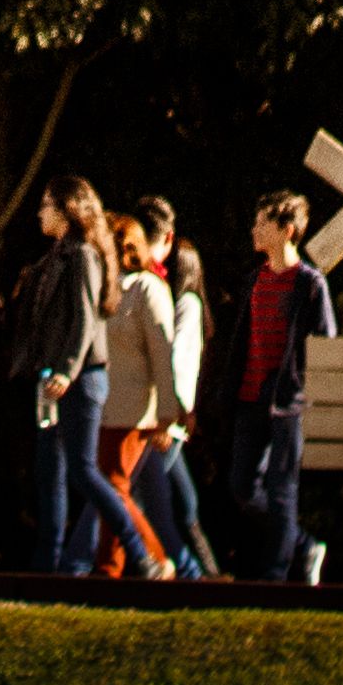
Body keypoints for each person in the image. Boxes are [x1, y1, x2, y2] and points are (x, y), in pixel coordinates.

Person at [8, 180, 129, 576]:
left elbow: (85, 319)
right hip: (53, 381)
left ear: (68, 210)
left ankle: (138, 551)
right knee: (50, 474)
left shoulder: (82, 256)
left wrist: (65, 370)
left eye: (46, 205)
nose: (40, 213)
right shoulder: (55, 258)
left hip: (79, 380)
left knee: (82, 471)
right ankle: (50, 569)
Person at [232, 193, 331, 583]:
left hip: (288, 401)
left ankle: (276, 575)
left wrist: (301, 387)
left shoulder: (309, 284)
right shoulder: (255, 281)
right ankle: (304, 545)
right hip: (251, 397)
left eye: (263, 223)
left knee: (282, 487)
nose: (255, 229)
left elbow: (325, 341)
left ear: (287, 231)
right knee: (241, 486)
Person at [98, 208, 181, 576]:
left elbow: (164, 353)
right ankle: (108, 566)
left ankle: (156, 559)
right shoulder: (109, 288)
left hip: (135, 411)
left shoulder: (148, 288)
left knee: (113, 486)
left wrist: (167, 415)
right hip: (106, 406)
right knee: (110, 488)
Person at [141, 198, 220, 577]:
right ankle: (207, 572)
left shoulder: (185, 305)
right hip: (170, 417)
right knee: (185, 506)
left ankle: (189, 575)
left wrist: (171, 413)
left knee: (151, 505)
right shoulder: (183, 305)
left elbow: (181, 365)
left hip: (166, 420)